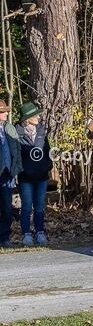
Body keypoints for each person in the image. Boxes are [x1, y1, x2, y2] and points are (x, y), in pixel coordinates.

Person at [16, 101, 51, 245]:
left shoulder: (41, 131)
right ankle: (26, 234)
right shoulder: (17, 133)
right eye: (35, 115)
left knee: (39, 206)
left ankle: (40, 232)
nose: (38, 117)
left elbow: (47, 150)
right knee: (26, 205)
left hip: (42, 176)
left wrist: (47, 165)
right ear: (27, 118)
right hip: (25, 177)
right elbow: (17, 154)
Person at [0, 100, 21, 247]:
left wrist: (15, 169)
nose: (7, 113)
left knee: (7, 209)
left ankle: (4, 237)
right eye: (3, 111)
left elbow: (16, 151)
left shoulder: (8, 129)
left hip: (7, 175)